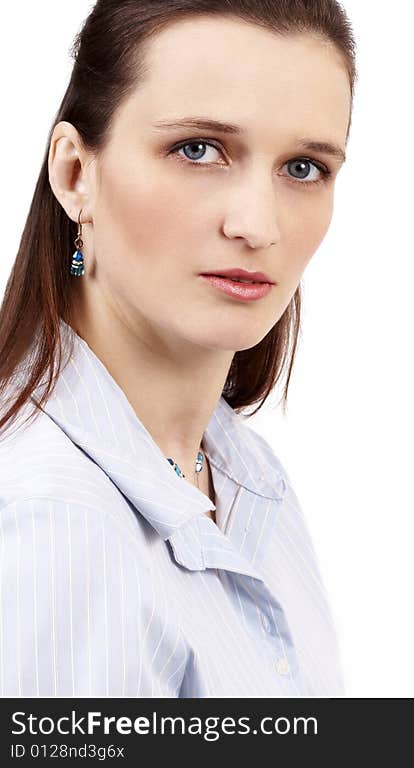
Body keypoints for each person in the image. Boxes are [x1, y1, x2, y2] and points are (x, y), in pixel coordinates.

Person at [0, 0, 356, 697]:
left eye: (304, 168)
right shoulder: (55, 524)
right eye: (197, 149)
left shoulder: (240, 473)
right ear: (75, 174)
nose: (257, 224)